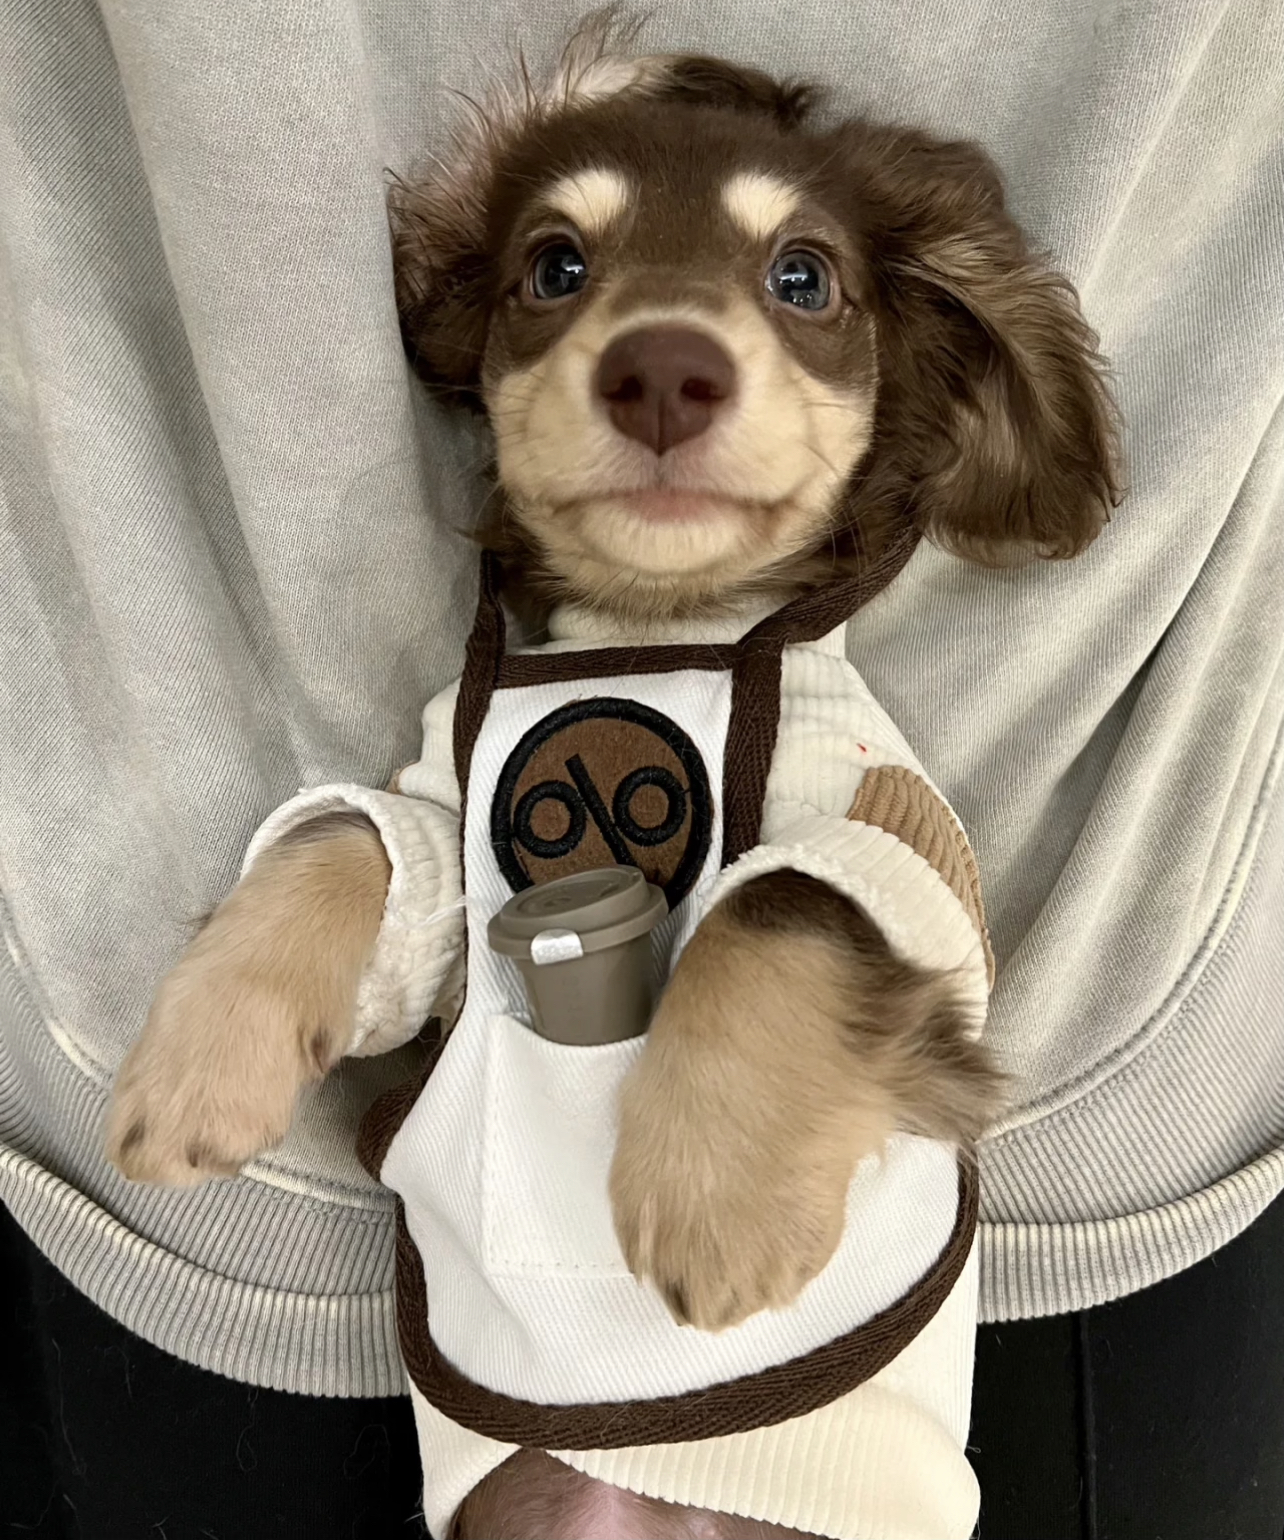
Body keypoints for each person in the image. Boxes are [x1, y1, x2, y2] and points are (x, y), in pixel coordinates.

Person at [1, 2, 1281, 1536]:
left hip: (820, 1431)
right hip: (500, 1423)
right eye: (561, 269)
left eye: (796, 278)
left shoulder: (825, 728)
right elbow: (437, 867)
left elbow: (902, 889)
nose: (663, 353)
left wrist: (764, 1001)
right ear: (478, 344)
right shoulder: (491, 714)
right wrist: (296, 932)